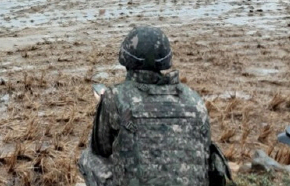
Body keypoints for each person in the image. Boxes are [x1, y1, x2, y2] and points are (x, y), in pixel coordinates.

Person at [78, 26, 231, 186]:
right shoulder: (194, 99)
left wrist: (104, 104)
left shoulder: (114, 97)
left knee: (89, 158)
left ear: (125, 57)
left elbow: (101, 148)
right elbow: (206, 153)